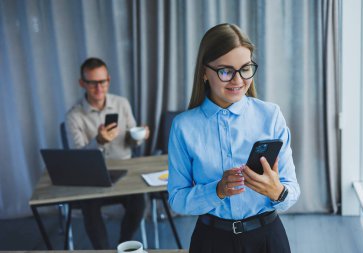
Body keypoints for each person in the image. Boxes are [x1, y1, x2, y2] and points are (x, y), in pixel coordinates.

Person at [167, 23, 300, 253]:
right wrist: (217, 190)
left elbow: (292, 190)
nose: (238, 81)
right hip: (211, 241)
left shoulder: (271, 116)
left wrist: (276, 191)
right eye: (226, 71)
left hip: (268, 239)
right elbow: (177, 199)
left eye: (245, 68)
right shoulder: (183, 127)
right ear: (203, 72)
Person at [65, 57, 149, 249]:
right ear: (82, 83)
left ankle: (123, 244)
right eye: (92, 83)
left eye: (102, 81)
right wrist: (99, 141)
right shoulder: (74, 116)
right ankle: (102, 251)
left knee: (139, 203)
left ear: (108, 80)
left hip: (125, 171)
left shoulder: (122, 103)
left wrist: (140, 135)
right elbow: (77, 157)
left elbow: (132, 141)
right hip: (93, 177)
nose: (99, 88)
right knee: (89, 207)